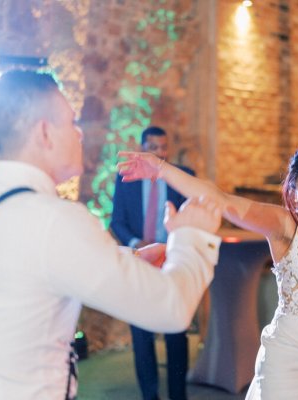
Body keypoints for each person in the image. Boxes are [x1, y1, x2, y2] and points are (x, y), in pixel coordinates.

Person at [0, 70, 223, 400]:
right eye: (71, 122)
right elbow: (172, 309)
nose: (80, 134)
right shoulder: (55, 220)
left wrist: (128, 259)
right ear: (45, 132)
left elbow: (25, 269)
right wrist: (192, 236)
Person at [117, 118, 298, 399]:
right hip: (289, 366)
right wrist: (161, 169)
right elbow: (221, 200)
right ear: (294, 195)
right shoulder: (285, 225)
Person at [110, 126, 194, 400]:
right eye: (154, 147)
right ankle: (150, 396)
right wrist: (135, 244)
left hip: (172, 264)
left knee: (176, 333)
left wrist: (172, 248)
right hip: (139, 263)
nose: (160, 153)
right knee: (141, 335)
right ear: (144, 147)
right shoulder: (127, 178)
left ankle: (178, 395)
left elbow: (191, 220)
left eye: (163, 147)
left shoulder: (183, 178)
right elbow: (116, 222)